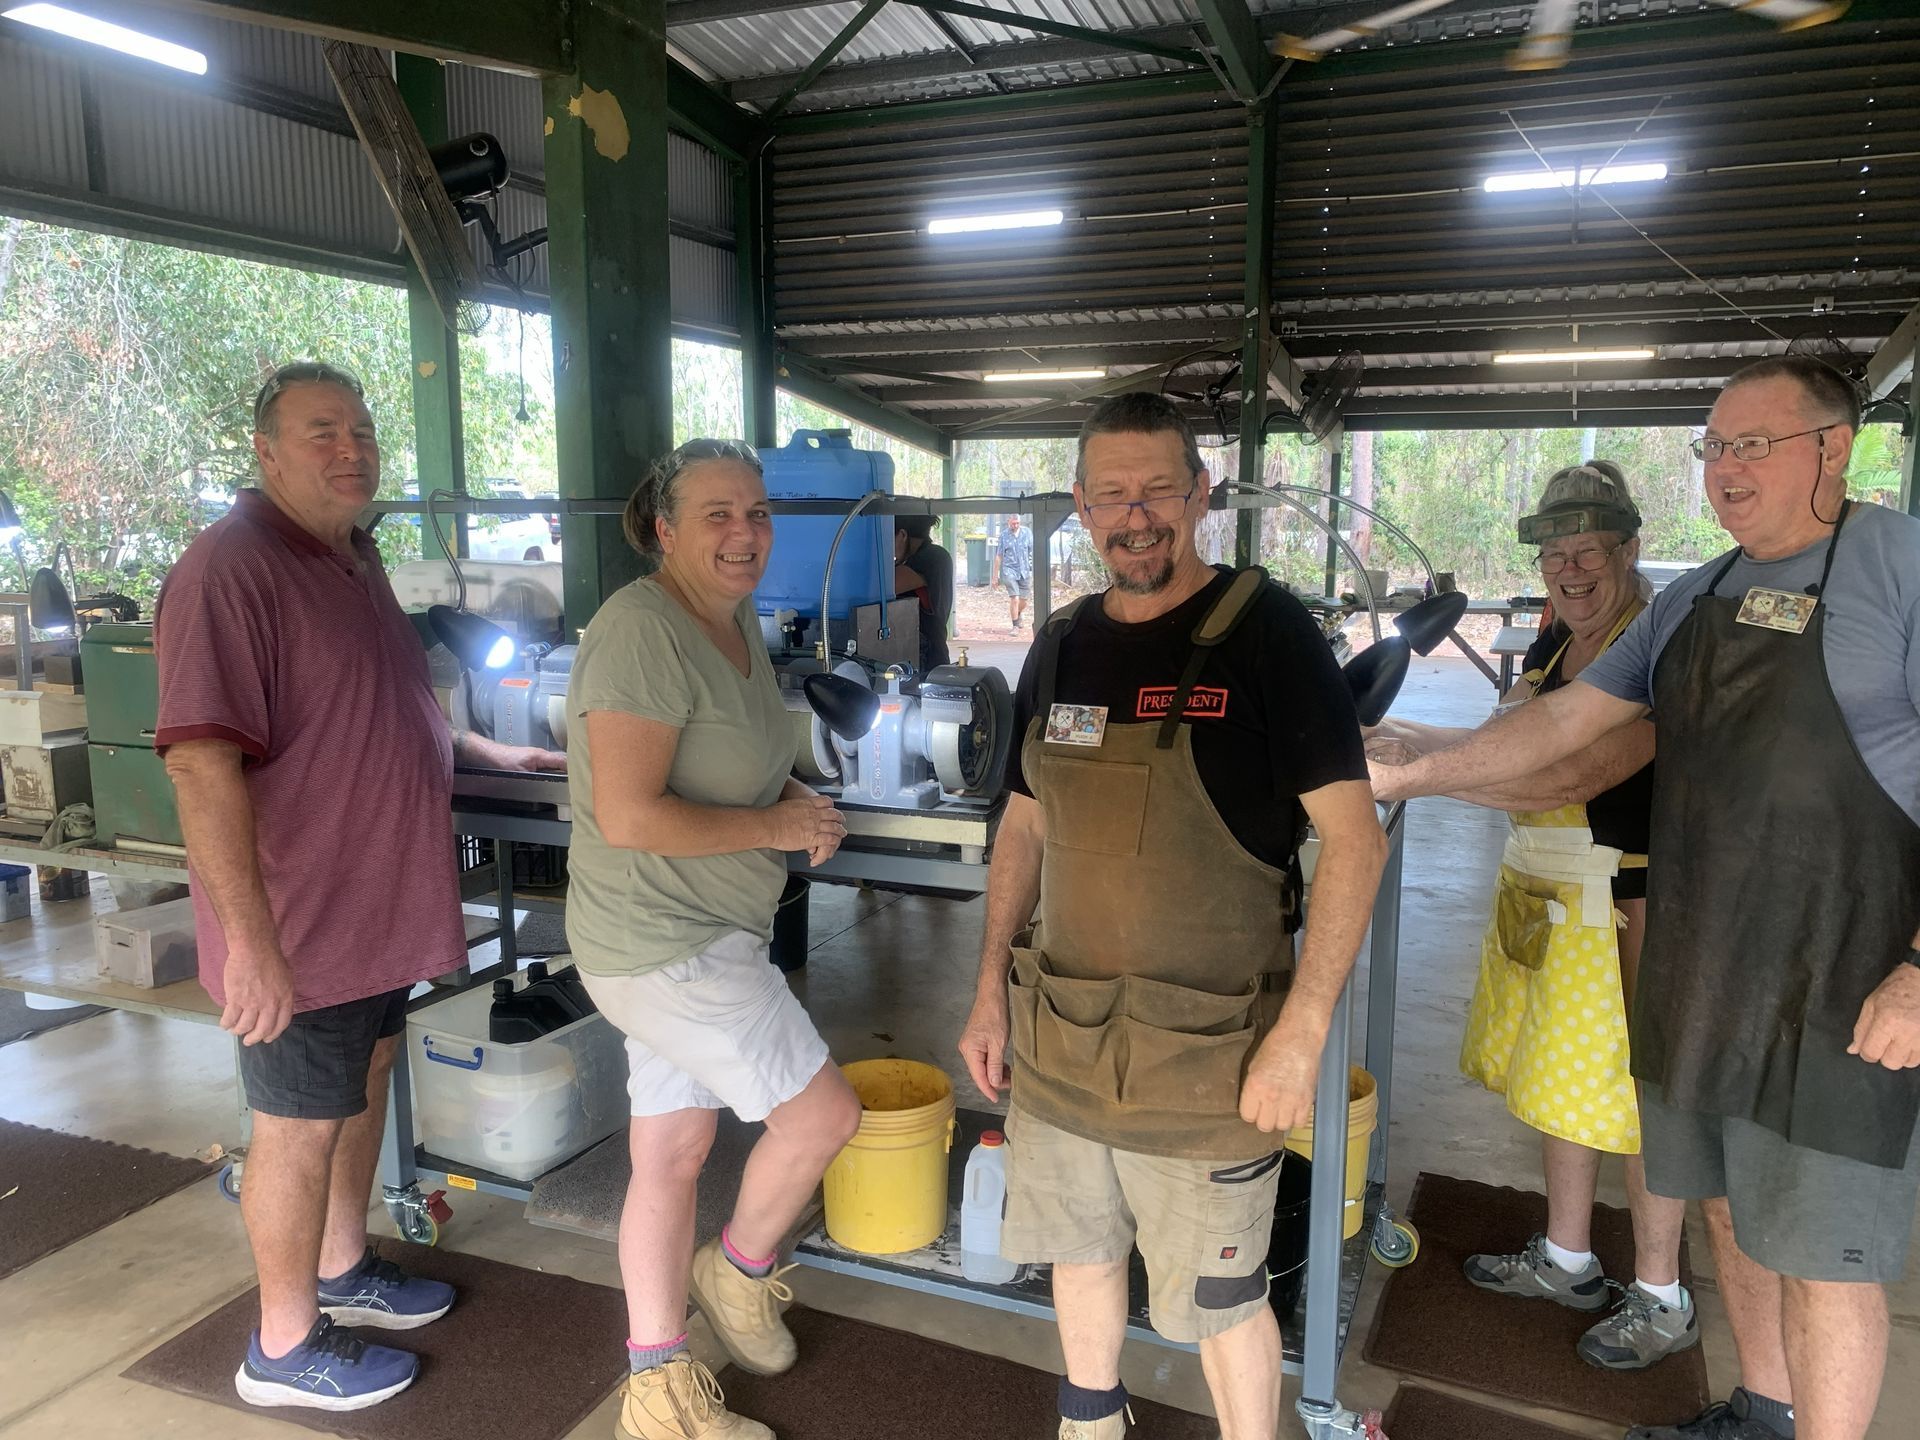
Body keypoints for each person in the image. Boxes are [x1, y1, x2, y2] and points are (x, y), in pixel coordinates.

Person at [1370, 357, 1920, 1440]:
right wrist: (1400, 762)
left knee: (1826, 1260)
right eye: (1713, 448)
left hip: (1845, 986)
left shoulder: (1899, 567)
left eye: (1752, 444)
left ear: (1834, 446)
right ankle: (1762, 1410)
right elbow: (1563, 729)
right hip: (1704, 966)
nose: (1726, 469)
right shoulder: (1692, 600)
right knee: (1729, 1215)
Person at [957, 393, 1388, 1440]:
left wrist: (1304, 1028)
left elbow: (1356, 840)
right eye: (1111, 494)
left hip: (1209, 1058)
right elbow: (1022, 823)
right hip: (1062, 1034)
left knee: (1220, 1301)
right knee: (1080, 1248)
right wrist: (986, 993)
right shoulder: (1059, 645)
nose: (1135, 515)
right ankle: (1090, 1425)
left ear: (1200, 494)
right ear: (1081, 505)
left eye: (1157, 489)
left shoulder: (1267, 634)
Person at [156, 361, 563, 1413]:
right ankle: (283, 1346)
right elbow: (200, 762)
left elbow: (380, 703)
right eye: (322, 431)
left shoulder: (348, 557)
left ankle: (344, 1267)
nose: (352, 449)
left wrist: (481, 750)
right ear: (267, 451)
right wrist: (250, 943)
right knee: (294, 1125)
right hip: (300, 924)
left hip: (378, 913)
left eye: (363, 431)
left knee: (365, 1084)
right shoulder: (230, 569)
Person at [564, 438, 863, 1440]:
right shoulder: (642, 629)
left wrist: (794, 798)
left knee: (676, 1150)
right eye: (718, 515)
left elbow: (724, 768)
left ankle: (656, 1391)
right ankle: (736, 1273)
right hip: (662, 941)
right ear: (666, 527)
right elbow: (632, 813)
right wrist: (778, 827)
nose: (745, 535)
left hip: (705, 933)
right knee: (823, 1118)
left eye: (758, 513)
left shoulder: (731, 628)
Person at [1367, 462, 1692, 1371]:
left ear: (1630, 549)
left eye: (1590, 549)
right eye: (1556, 553)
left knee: (1644, 1097)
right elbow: (1499, 743)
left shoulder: (1658, 642)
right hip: (1549, 894)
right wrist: (1394, 741)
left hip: (1635, 897)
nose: (1571, 569)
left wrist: (1416, 778)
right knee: (1562, 1082)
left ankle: (1663, 1294)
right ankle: (1567, 1257)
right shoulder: (1557, 640)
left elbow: (1576, 773)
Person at [893, 513, 954, 672]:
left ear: (902, 535)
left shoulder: (933, 556)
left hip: (929, 658)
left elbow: (887, 585)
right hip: (911, 655)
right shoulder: (914, 559)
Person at [996, 513, 1034, 630]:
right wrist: (995, 576)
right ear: (1009, 522)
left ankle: (1017, 614)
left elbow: (1033, 551)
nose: (1015, 525)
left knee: (1024, 600)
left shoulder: (1027, 533)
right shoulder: (1004, 535)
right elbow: (999, 556)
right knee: (1015, 598)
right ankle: (1015, 625)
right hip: (1009, 570)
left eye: (1017, 523)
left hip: (1025, 570)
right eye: (1013, 523)